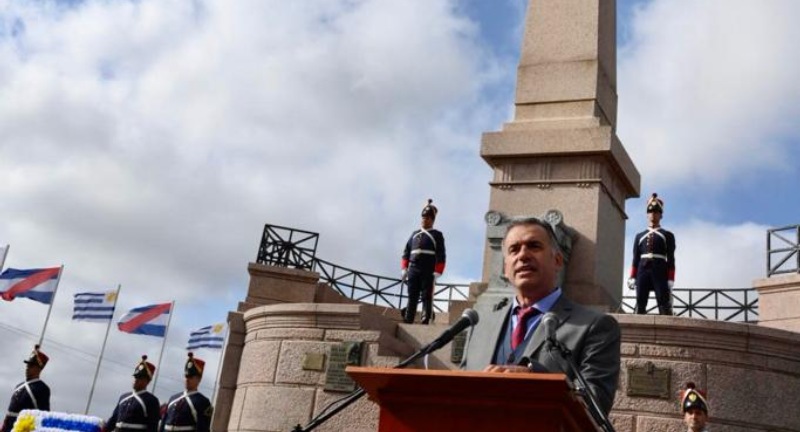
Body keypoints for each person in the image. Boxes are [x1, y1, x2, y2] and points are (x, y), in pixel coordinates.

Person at [462, 217, 620, 416]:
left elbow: (596, 403)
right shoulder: (479, 325)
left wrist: (538, 380)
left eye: (534, 246)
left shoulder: (596, 327)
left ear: (557, 260)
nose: (523, 255)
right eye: (514, 249)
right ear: (505, 268)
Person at [627, 193, 676, 315]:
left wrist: (670, 278)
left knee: (663, 303)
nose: (653, 214)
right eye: (650, 212)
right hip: (642, 270)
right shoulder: (639, 236)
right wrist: (632, 276)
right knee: (640, 302)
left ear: (661, 215)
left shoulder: (667, 235)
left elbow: (671, 258)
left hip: (659, 270)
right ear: (647, 215)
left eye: (656, 212)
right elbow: (635, 258)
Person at [400, 199, 446, 324]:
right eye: (423, 217)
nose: (424, 220)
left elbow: (441, 254)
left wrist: (438, 271)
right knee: (412, 294)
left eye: (427, 218)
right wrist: (404, 268)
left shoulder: (437, 235)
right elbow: (406, 252)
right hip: (413, 268)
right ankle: (409, 317)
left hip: (428, 268)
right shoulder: (414, 234)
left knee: (426, 295)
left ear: (432, 220)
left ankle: (426, 317)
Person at [159, 353, 213, 432]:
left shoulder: (202, 402)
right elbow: (163, 423)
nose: (187, 379)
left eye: (191, 377)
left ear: (199, 379)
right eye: (186, 376)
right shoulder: (173, 398)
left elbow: (203, 428)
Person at [2, 346, 51, 432]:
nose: (27, 367)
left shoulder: (42, 388)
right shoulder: (19, 386)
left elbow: (43, 416)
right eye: (28, 364)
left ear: (39, 368)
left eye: (31, 365)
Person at [106, 355, 161, 432]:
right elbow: (113, 419)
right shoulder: (123, 397)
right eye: (135, 376)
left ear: (147, 381)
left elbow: (152, 427)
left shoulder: (151, 400)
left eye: (139, 377)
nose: (136, 379)